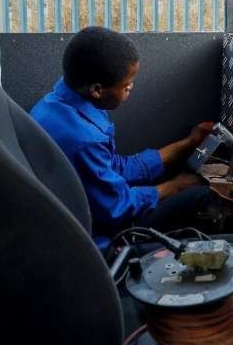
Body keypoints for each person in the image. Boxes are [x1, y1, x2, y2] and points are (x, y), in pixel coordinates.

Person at [30, 26, 216, 250]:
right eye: (126, 86)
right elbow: (117, 207)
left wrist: (187, 145)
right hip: (97, 242)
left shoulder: (60, 104)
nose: (131, 88)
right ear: (97, 90)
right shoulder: (83, 138)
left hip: (86, 214)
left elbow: (113, 167)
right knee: (203, 197)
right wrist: (174, 187)